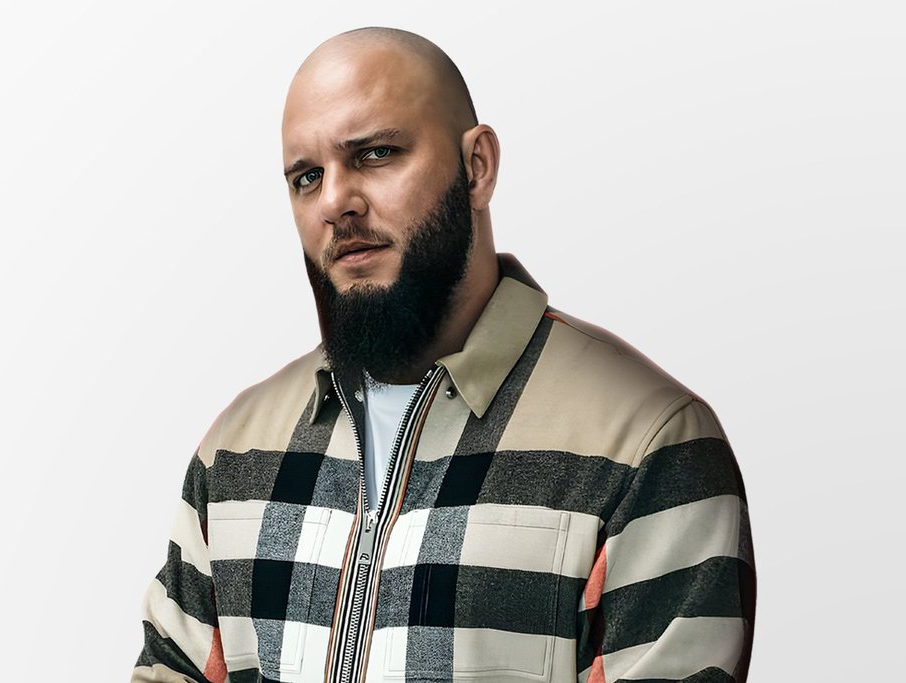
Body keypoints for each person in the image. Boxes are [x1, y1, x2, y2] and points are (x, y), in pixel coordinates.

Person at [132, 27, 755, 683]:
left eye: (375, 154)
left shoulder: (646, 442)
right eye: (307, 177)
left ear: (477, 166)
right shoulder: (235, 451)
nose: (335, 201)